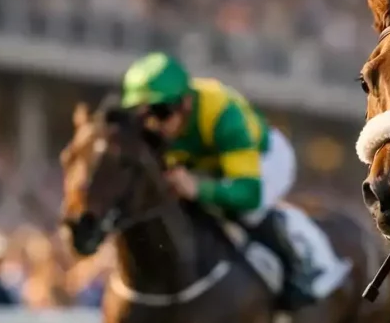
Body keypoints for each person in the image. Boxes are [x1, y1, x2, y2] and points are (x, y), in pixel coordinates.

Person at [119, 52, 315, 309]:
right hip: (209, 164)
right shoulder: (160, 127)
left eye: (161, 111)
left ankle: (296, 270)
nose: (154, 124)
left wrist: (199, 188)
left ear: (186, 103)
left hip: (264, 160)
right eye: (143, 116)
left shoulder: (224, 115)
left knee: (245, 212)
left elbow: (248, 193)